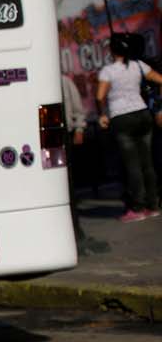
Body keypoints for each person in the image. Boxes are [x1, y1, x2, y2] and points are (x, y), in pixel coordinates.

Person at [95, 35, 162, 222]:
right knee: (147, 162)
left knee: (132, 164)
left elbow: (100, 95)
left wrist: (102, 115)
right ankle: (153, 204)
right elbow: (160, 80)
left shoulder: (108, 71)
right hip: (143, 114)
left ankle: (138, 207)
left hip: (121, 117)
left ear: (112, 51)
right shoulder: (139, 65)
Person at [62, 75, 109, 253]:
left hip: (65, 132)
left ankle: (75, 230)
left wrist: (79, 128)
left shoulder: (64, 81)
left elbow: (76, 107)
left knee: (68, 183)